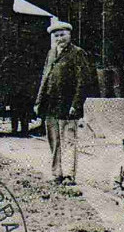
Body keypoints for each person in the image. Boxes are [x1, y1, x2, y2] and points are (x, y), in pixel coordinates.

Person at [34, 18, 96, 186]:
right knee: (54, 141)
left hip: (68, 106)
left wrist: (76, 104)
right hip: (50, 105)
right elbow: (45, 78)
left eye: (62, 35)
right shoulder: (51, 53)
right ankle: (57, 173)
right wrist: (39, 100)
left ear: (69, 35)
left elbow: (83, 81)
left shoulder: (77, 53)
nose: (59, 38)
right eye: (56, 36)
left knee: (68, 140)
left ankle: (69, 174)